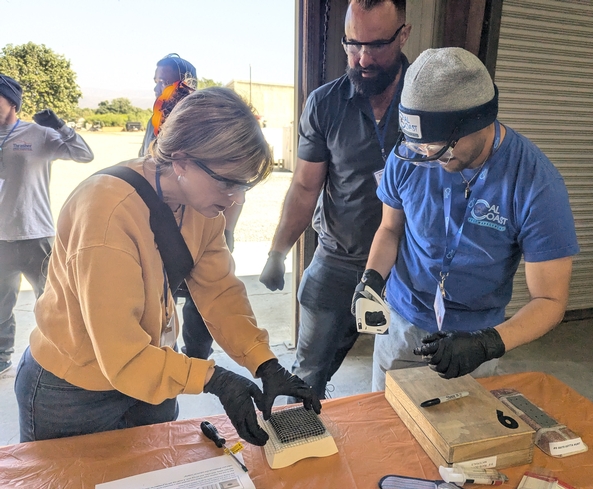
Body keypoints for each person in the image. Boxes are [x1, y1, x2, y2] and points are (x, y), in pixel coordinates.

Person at [15, 87, 320, 443]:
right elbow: (121, 355)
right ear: (180, 160)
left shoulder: (202, 208)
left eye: (244, 186)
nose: (235, 198)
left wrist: (265, 362)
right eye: (227, 182)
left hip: (152, 374)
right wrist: (212, 378)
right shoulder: (106, 213)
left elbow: (220, 293)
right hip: (72, 391)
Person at [352, 48, 579, 390]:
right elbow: (390, 228)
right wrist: (371, 279)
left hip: (475, 337)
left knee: (459, 433)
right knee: (387, 425)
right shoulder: (411, 157)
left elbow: (550, 301)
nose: (427, 156)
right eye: (419, 147)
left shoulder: (536, 184)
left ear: (479, 122)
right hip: (402, 322)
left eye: (439, 148)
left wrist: (486, 344)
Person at [259, 0, 411, 399]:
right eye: (352, 44)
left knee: (408, 380)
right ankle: (299, 439)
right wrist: (278, 252)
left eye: (376, 45)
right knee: (306, 376)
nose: (362, 58)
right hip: (339, 260)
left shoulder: (428, 97)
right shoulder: (324, 104)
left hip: (414, 266)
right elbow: (306, 187)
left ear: (404, 35)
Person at [140, 53, 243, 360]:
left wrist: (226, 231)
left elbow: (235, 186)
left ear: (187, 81)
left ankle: (197, 354)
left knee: (203, 293)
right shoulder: (156, 120)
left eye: (166, 80)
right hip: (162, 226)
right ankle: (162, 353)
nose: (159, 88)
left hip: (201, 224)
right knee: (159, 294)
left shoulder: (204, 123)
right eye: (156, 81)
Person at [0, 74, 94, 377]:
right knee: (1, 305)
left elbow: (84, 154)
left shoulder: (38, 134)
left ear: (12, 102)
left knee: (54, 302)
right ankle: (2, 357)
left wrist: (60, 126)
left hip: (36, 234)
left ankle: (55, 356)